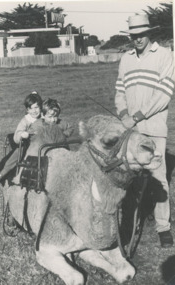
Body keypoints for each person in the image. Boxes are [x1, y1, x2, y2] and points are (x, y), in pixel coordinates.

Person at [114, 14, 174, 248]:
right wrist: (123, 115)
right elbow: (119, 92)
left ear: (150, 33)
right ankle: (129, 222)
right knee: (130, 177)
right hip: (132, 132)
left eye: (141, 34)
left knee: (159, 178)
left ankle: (163, 227)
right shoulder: (126, 59)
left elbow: (163, 95)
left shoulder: (165, 55)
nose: (138, 39)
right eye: (134, 35)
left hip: (154, 129)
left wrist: (137, 116)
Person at [0, 91, 43, 193]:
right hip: (27, 145)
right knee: (14, 158)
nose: (34, 111)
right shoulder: (25, 120)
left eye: (36, 107)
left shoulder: (43, 118)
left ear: (41, 107)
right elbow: (16, 136)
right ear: (27, 109)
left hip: (41, 144)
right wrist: (22, 134)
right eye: (31, 108)